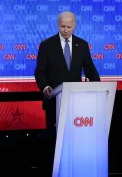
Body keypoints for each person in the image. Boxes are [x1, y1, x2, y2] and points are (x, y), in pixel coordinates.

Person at [34, 11, 100, 175]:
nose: (66, 30)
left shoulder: (82, 45)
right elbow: (40, 72)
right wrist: (45, 88)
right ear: (58, 25)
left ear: (75, 25)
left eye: (69, 26)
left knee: (74, 142)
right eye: (63, 26)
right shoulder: (47, 45)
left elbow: (90, 70)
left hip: (77, 104)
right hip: (54, 102)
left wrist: (98, 89)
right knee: (54, 141)